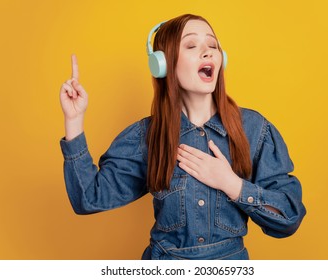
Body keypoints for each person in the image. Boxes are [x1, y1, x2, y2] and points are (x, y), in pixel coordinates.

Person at [59, 14, 306, 260]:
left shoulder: (254, 129)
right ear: (162, 64)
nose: (208, 52)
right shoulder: (147, 136)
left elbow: (289, 218)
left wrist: (231, 184)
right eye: (191, 45)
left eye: (212, 46)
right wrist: (74, 120)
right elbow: (87, 198)